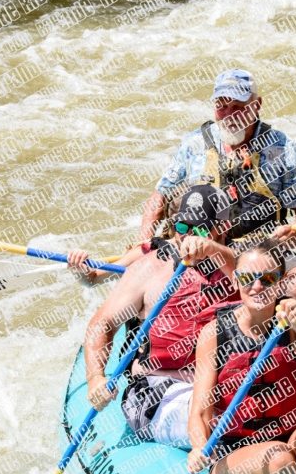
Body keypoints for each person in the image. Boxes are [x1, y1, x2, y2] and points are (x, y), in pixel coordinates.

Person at [139, 69, 296, 301]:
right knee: (141, 282)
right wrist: (143, 241)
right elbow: (159, 197)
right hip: (196, 246)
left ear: (257, 105)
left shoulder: (282, 149)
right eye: (222, 106)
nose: (229, 115)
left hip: (261, 251)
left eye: (238, 107)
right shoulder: (194, 144)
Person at [187, 239, 296, 474]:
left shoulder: (293, 316)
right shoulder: (214, 333)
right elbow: (200, 412)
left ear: (280, 282)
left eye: (268, 278)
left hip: (290, 434)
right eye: (248, 278)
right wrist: (197, 447)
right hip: (235, 451)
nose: (258, 286)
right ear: (236, 280)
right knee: (279, 459)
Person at [83, 185, 239, 448]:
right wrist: (95, 377)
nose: (187, 237)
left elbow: (265, 282)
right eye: (182, 227)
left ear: (221, 231)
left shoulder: (241, 266)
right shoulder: (151, 267)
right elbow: (103, 323)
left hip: (222, 382)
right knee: (223, 422)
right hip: (157, 387)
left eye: (199, 230)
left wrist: (212, 250)